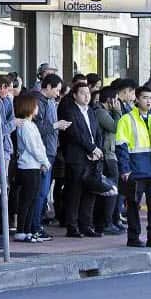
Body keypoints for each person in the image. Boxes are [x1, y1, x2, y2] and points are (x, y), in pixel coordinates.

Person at [116, 86, 151, 248]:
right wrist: (125, 169)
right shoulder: (126, 119)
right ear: (137, 99)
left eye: (150, 98)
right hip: (135, 170)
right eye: (145, 98)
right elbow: (121, 146)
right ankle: (133, 237)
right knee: (133, 205)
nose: (148, 101)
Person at [58, 83, 103, 238]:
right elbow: (75, 134)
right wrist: (91, 149)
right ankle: (72, 226)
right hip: (77, 158)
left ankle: (86, 225)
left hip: (92, 157)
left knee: (90, 192)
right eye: (82, 93)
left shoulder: (90, 111)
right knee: (75, 193)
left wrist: (97, 149)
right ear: (75, 95)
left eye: (88, 93)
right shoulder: (70, 111)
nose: (86, 96)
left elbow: (97, 132)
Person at [29, 74, 70, 241]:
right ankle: (35, 226)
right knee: (41, 192)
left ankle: (37, 225)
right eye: (57, 90)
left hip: (51, 151)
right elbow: (37, 128)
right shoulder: (38, 102)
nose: (58, 93)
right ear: (47, 87)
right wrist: (56, 125)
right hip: (43, 152)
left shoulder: (51, 102)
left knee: (44, 193)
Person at [13, 94, 51, 243]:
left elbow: (38, 147)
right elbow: (34, 148)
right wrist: (45, 161)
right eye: (35, 105)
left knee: (32, 199)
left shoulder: (30, 125)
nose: (37, 108)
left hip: (34, 166)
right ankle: (22, 230)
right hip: (28, 167)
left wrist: (42, 161)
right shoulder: (26, 126)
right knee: (27, 200)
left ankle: (27, 230)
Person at [91, 88, 124, 235]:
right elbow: (117, 127)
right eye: (116, 99)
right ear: (110, 100)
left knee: (112, 190)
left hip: (110, 154)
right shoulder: (100, 112)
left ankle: (111, 220)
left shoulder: (105, 112)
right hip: (106, 155)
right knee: (111, 189)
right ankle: (106, 222)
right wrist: (118, 112)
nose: (118, 103)